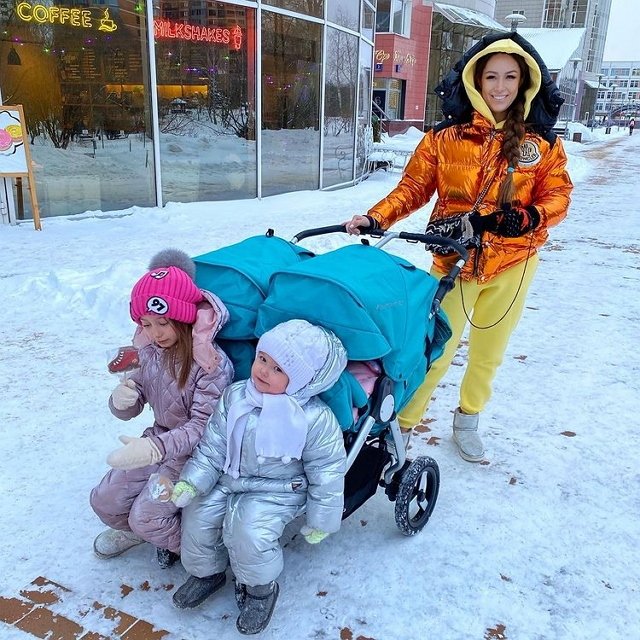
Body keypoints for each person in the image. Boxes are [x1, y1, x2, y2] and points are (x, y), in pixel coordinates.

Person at [346, 32, 573, 462]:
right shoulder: (444, 138)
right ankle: (404, 425)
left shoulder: (542, 143)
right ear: (475, 80)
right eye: (492, 76)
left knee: (488, 353)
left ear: (524, 82)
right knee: (432, 351)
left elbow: (558, 195)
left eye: (510, 77)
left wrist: (529, 216)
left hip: (513, 264)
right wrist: (377, 217)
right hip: (452, 260)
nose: (500, 87)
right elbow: (413, 188)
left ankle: (468, 418)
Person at [168, 319, 347, 635]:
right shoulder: (236, 396)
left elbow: (328, 471)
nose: (263, 371)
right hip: (229, 477)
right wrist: (192, 481)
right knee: (197, 515)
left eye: (278, 369)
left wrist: (322, 520)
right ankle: (206, 573)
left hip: (278, 489)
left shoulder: (313, 418)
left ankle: (260, 590)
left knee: (249, 532)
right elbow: (213, 445)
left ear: (300, 380)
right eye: (262, 359)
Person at [90, 249, 234, 567]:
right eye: (146, 324)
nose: (155, 333)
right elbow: (136, 395)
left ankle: (205, 554)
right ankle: (146, 533)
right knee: (105, 500)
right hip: (160, 441)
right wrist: (122, 401)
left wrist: (155, 448)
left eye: (163, 323)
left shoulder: (211, 364)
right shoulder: (149, 351)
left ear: (183, 317)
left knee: (146, 516)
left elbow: (204, 427)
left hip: (197, 457)